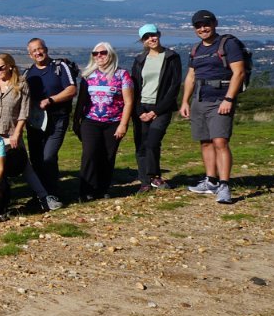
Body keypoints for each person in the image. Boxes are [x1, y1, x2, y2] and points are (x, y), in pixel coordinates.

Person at [0, 53, 62, 211]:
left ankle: (44, 197)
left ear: (9, 66)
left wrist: (17, 134)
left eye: (0, 68)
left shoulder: (21, 84)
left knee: (24, 166)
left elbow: (24, 112)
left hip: (11, 133)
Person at [179, 10, 245, 205]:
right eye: (198, 26)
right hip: (200, 99)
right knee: (205, 141)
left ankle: (224, 185)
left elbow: (238, 72)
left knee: (220, 141)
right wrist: (185, 101)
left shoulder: (228, 44)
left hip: (220, 98)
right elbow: (191, 76)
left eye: (206, 24)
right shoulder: (196, 49)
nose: (203, 28)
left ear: (215, 24)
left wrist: (229, 99)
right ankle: (211, 181)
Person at [74, 42, 134, 202]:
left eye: (103, 53)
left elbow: (129, 102)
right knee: (89, 154)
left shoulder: (122, 75)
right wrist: (76, 120)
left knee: (107, 156)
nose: (99, 56)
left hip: (114, 122)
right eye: (95, 53)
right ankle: (86, 190)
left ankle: (102, 188)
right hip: (90, 121)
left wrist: (123, 124)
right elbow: (81, 101)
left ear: (111, 54)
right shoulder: (88, 75)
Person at [24, 38, 78, 201]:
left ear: (46, 49)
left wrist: (51, 100)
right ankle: (40, 193)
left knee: (48, 156)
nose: (38, 53)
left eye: (40, 49)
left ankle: (53, 191)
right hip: (36, 121)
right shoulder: (28, 73)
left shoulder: (60, 67)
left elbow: (72, 89)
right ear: (30, 55)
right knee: (36, 158)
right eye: (34, 51)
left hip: (57, 118)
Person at [131, 25, 182, 193]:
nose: (151, 39)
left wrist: (155, 111)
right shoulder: (139, 60)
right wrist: (139, 111)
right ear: (142, 41)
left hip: (161, 107)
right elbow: (134, 88)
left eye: (153, 35)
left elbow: (174, 87)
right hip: (141, 107)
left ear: (159, 35)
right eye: (146, 37)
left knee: (153, 142)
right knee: (141, 145)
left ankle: (154, 176)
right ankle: (145, 182)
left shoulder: (171, 57)